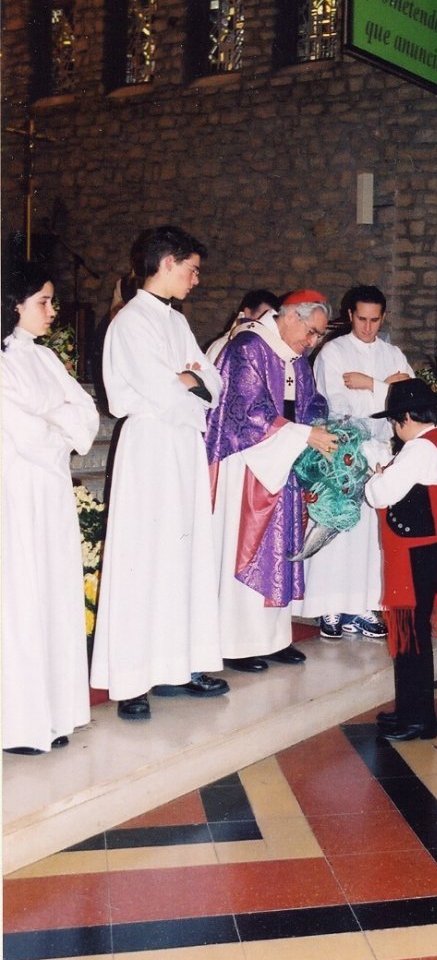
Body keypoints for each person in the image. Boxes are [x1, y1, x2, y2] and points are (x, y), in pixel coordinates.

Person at [90, 226, 229, 720]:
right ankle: (131, 681)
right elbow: (158, 390)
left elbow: (210, 378)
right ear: (166, 263)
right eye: (191, 269)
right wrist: (188, 382)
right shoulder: (131, 323)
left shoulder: (175, 322)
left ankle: (178, 665)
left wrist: (190, 380)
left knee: (182, 554)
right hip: (150, 447)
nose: (196, 280)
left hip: (181, 447)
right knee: (144, 559)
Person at [204, 290, 338, 672]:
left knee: (279, 549)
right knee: (245, 545)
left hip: (284, 462)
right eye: (311, 332)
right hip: (247, 464)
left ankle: (272, 639)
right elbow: (246, 411)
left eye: (318, 337)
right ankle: (236, 643)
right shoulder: (248, 347)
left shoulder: (295, 358)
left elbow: (311, 403)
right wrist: (303, 435)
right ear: (292, 317)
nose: (312, 342)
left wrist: (321, 429)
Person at [1, 262, 100, 754]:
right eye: (43, 301)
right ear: (12, 303)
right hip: (15, 493)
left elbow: (83, 413)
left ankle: (55, 711)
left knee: (51, 594)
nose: (53, 310)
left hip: (50, 489)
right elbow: (22, 432)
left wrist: (56, 422)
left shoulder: (43, 358)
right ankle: (18, 723)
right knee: (20, 598)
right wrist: (55, 423)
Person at [301, 284, 413, 640]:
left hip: (379, 449)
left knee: (369, 536)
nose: (368, 327)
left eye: (374, 320)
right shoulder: (332, 352)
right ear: (350, 315)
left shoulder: (392, 353)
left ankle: (361, 606)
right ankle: (329, 607)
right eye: (361, 319)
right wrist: (386, 389)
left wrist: (371, 384)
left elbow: (407, 399)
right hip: (341, 449)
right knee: (337, 528)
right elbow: (339, 407)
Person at [364, 379, 437, 741]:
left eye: (395, 422)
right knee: (412, 636)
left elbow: (379, 494)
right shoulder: (435, 440)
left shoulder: (418, 450)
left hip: (416, 554)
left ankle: (419, 720)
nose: (396, 430)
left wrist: (378, 478)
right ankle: (410, 712)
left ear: (406, 417)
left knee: (411, 637)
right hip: (427, 549)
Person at [206, 288, 278, 364]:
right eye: (264, 315)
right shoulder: (221, 347)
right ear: (247, 313)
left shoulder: (275, 350)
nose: (267, 321)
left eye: (272, 318)